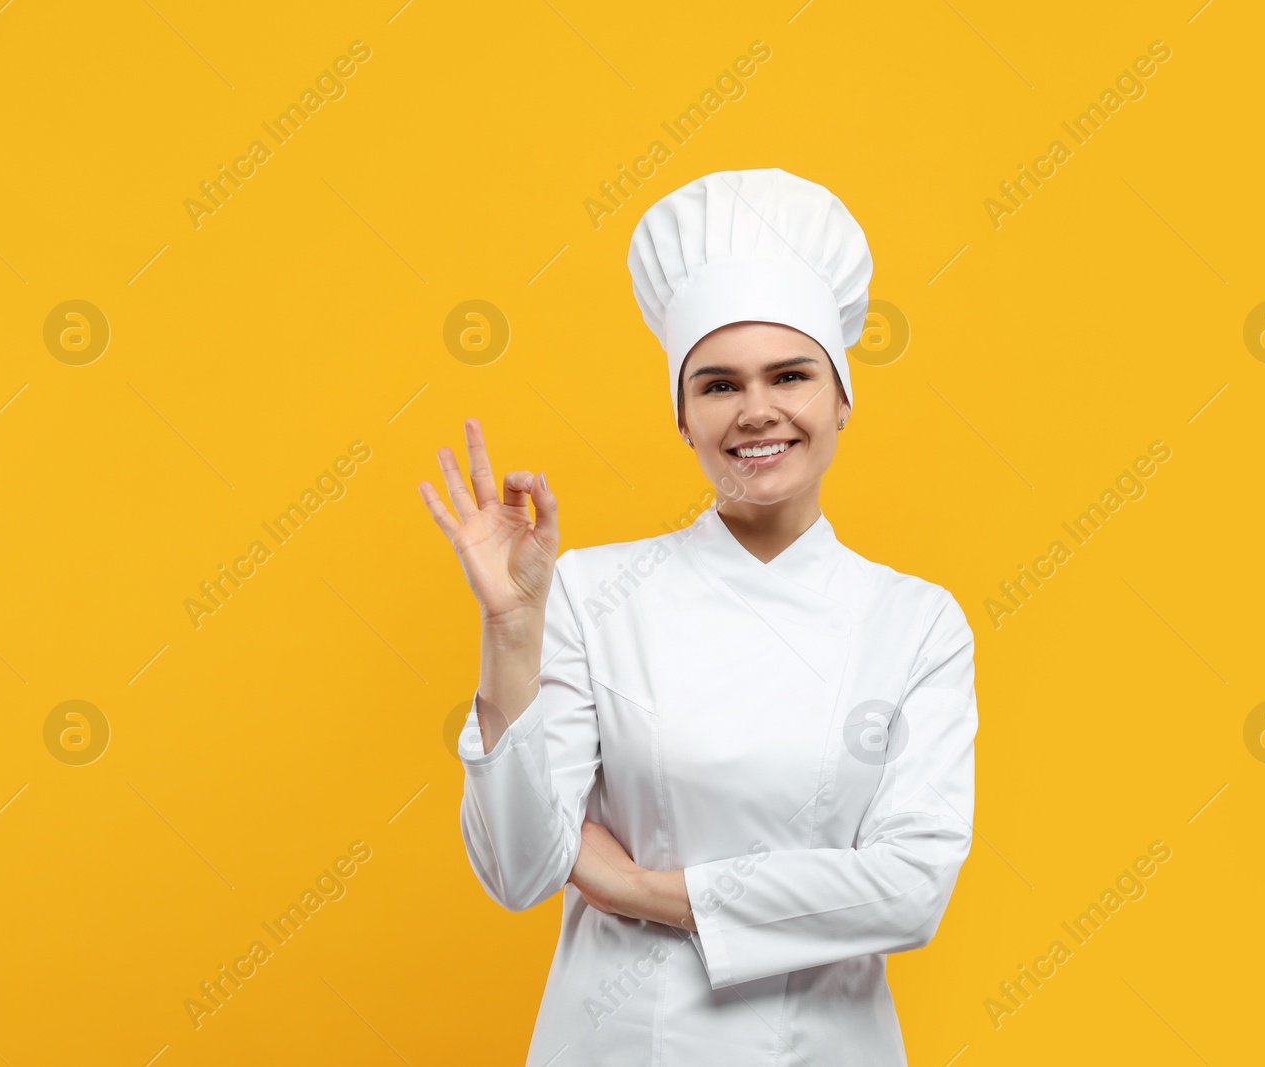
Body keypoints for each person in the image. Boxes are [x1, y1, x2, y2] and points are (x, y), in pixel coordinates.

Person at [418, 168, 978, 1065]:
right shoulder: (592, 593)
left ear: (841, 398)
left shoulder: (914, 621)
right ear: (682, 417)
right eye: (717, 385)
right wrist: (513, 629)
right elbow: (521, 870)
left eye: (790, 375)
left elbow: (911, 889)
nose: (757, 410)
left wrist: (637, 885)